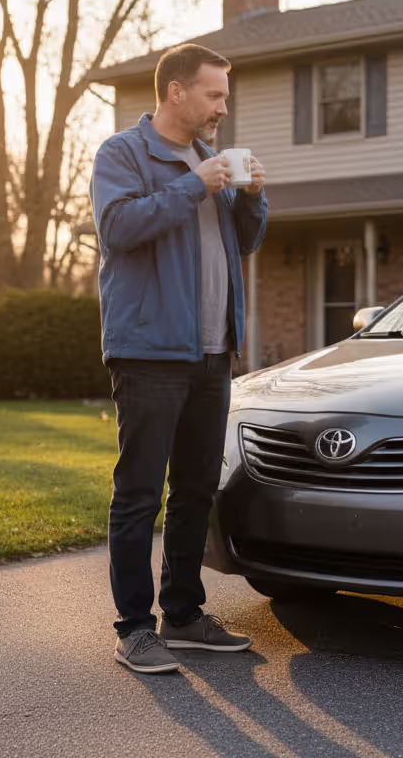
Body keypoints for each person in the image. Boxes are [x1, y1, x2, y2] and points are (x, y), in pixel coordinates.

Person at [88, 43, 268, 674]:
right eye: (214, 95)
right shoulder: (123, 154)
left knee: (195, 489)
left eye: (225, 96)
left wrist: (249, 198)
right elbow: (119, 230)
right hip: (149, 354)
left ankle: (184, 615)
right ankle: (135, 628)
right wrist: (194, 185)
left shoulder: (208, 160)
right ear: (176, 92)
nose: (223, 106)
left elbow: (242, 243)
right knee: (138, 494)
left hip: (213, 353)